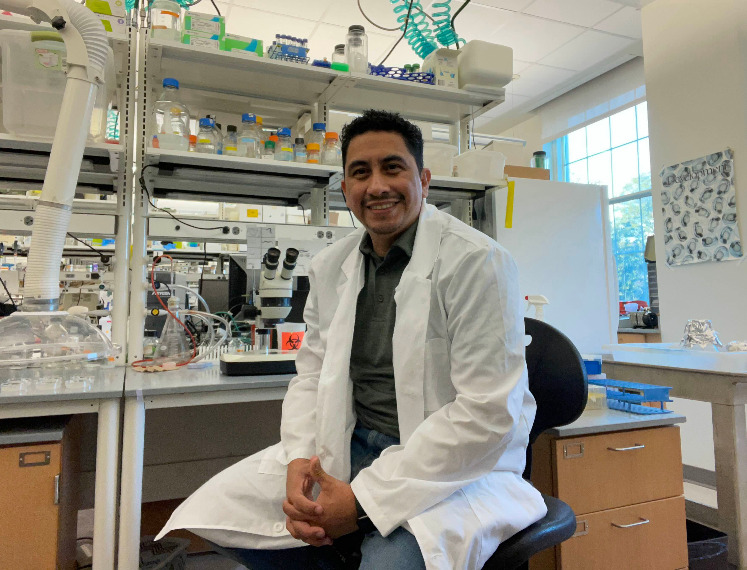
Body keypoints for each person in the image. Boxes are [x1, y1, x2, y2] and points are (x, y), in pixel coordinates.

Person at [157, 110, 546, 569]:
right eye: (360, 172)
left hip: (452, 468)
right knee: (215, 511)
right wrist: (299, 459)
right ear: (345, 190)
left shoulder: (478, 262)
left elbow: (486, 412)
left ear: (423, 179)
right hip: (352, 443)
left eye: (393, 168)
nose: (377, 186)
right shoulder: (330, 266)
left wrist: (361, 502)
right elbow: (312, 373)